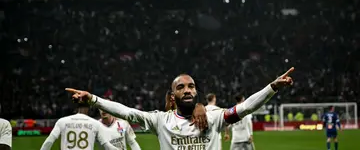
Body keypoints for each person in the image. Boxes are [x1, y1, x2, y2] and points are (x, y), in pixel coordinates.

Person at [66, 67, 295, 150]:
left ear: (196, 93)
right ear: (172, 96)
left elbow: (244, 108)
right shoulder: (160, 121)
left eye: (192, 86)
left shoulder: (213, 117)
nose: (187, 89)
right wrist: (94, 99)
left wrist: (272, 87)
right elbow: (125, 111)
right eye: (181, 87)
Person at [40, 102, 117, 150]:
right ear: (89, 107)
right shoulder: (95, 123)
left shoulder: (62, 121)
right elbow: (106, 145)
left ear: (77, 107)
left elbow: (49, 141)